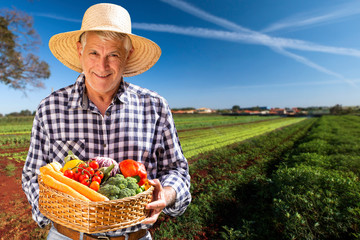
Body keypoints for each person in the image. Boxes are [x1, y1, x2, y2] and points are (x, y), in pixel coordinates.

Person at [21, 3, 191, 240]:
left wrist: (167, 195)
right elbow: (32, 174)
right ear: (80, 50)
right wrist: (54, 212)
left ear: (128, 55)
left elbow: (177, 170)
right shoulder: (50, 108)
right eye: (94, 53)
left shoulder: (154, 107)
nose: (102, 66)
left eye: (113, 54)